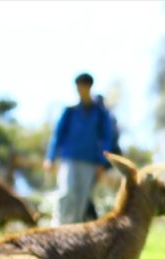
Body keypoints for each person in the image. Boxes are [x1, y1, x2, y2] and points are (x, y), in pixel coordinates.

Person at [43, 73, 114, 225]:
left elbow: (107, 138)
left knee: (81, 199)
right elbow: (58, 134)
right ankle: (57, 228)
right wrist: (50, 157)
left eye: (82, 86)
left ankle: (72, 235)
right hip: (69, 158)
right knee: (67, 193)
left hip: (90, 161)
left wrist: (103, 162)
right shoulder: (70, 110)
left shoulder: (100, 112)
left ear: (89, 87)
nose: (80, 90)